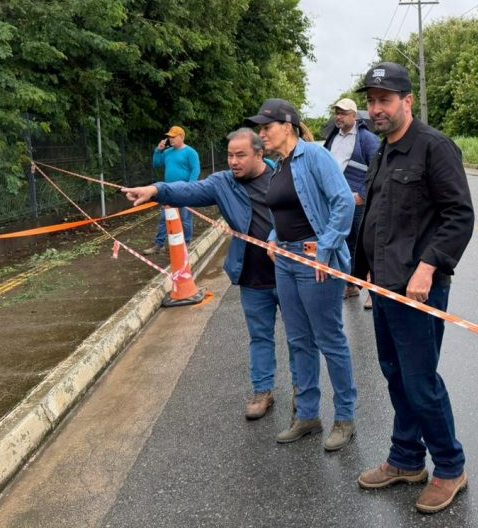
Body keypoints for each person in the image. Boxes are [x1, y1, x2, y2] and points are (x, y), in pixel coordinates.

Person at [353, 62, 474, 515]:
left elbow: (459, 215)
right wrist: (364, 271)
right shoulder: (383, 150)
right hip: (385, 287)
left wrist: (427, 268)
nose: (376, 109)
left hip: (419, 289)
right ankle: (406, 459)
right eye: (371, 101)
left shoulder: (434, 147)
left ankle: (449, 467)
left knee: (421, 382)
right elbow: (380, 218)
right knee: (396, 374)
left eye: (384, 100)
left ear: (408, 101)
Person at [123, 129, 297, 421]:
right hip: (252, 277)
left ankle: (301, 390)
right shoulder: (223, 183)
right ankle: (262, 390)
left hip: (289, 274)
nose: (233, 161)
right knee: (259, 337)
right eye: (230, 155)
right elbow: (188, 191)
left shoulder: (284, 176)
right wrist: (155, 190)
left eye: (240, 155)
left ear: (259, 154)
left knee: (298, 337)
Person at [244, 99, 358, 452]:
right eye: (260, 129)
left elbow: (343, 201)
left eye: (267, 127)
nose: (262, 134)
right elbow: (285, 214)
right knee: (297, 340)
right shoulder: (279, 166)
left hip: (314, 259)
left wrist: (325, 250)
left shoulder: (314, 156)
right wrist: (275, 240)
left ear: (289, 125)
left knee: (329, 339)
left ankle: (344, 417)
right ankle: (308, 415)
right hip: (287, 262)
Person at [322, 98, 379, 305]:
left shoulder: (367, 139)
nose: (339, 116)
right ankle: (351, 285)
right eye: (337, 112)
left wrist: (363, 195)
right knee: (346, 243)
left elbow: (377, 168)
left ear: (354, 116)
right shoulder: (332, 138)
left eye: (343, 113)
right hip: (337, 202)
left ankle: (373, 292)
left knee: (365, 245)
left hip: (358, 202)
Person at [143, 126, 201, 255]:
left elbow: (196, 170)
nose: (170, 139)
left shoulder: (190, 152)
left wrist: (190, 187)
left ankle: (186, 243)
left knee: (185, 218)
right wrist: (158, 150)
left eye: (173, 137)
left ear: (181, 137)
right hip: (168, 191)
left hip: (184, 190)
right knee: (164, 219)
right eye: (169, 137)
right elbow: (156, 164)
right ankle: (159, 245)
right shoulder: (167, 152)